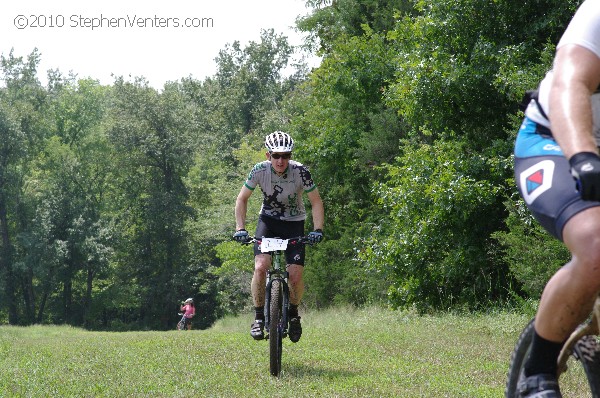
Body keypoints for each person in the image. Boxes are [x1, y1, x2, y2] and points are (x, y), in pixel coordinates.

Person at [514, 1, 600, 396]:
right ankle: (538, 372)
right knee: (595, 242)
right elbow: (571, 82)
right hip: (554, 141)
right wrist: (583, 157)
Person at [233, 131, 324, 343]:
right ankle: (258, 317)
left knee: (295, 275)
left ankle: (293, 314)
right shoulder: (259, 170)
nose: (281, 160)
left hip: (294, 223)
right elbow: (242, 199)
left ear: (290, 156)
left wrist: (318, 230)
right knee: (260, 267)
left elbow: (316, 201)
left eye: (285, 155)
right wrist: (240, 228)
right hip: (269, 222)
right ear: (268, 155)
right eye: (276, 155)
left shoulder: (301, 172)